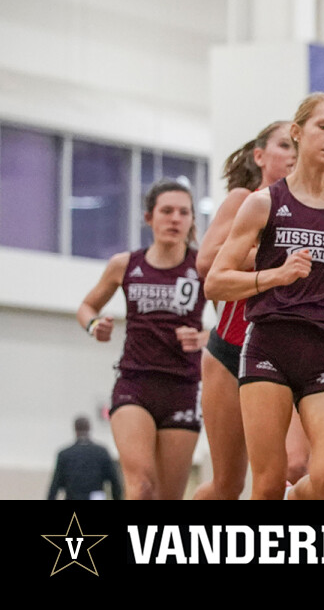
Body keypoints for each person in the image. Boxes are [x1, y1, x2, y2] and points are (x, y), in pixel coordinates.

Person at [206, 92, 324, 500]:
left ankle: (297, 496)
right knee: (267, 484)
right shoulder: (263, 203)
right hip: (270, 345)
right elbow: (215, 281)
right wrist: (276, 275)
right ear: (297, 133)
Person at [193, 121, 305, 500]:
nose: (292, 154)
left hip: (286, 357)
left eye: (297, 146)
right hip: (229, 351)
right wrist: (276, 261)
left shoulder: (314, 212)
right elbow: (206, 262)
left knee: (293, 467)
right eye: (284, 145)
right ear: (259, 156)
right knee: (227, 485)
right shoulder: (244, 199)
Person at [78, 179, 209, 500]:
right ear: (149, 217)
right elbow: (87, 307)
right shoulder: (125, 265)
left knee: (167, 496)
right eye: (167, 211)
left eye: (183, 213)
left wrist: (204, 337)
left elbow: (232, 323)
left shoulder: (202, 266)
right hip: (134, 384)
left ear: (192, 220)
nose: (175, 219)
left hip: (182, 388)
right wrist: (94, 325)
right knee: (140, 487)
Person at [48, 416, 123, 500]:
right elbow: (114, 480)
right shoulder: (101, 452)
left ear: (75, 429)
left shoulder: (64, 455)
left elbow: (55, 485)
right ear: (89, 428)